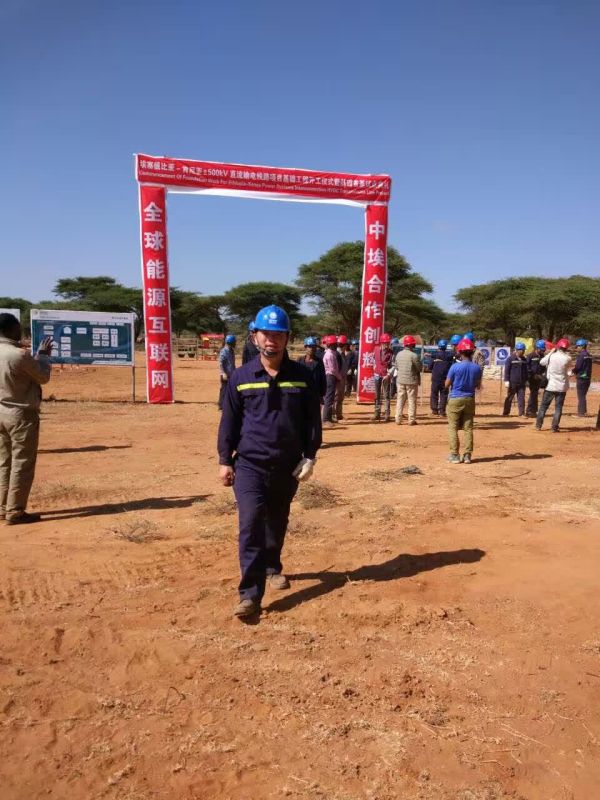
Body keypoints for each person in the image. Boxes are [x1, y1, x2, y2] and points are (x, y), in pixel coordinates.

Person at [217, 305, 322, 618]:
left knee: (277, 520)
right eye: (266, 334)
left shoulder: (303, 377)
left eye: (278, 334)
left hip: (287, 466)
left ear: (288, 338)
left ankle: (272, 566)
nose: (271, 340)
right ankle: (250, 595)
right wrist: (224, 460)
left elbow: (312, 422)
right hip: (250, 465)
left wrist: (310, 456)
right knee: (251, 524)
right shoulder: (241, 377)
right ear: (254, 337)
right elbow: (229, 422)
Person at [0, 313, 53, 524]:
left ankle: (2, 507)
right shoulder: (19, 355)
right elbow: (43, 376)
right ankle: (15, 511)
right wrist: (43, 356)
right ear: (13, 330)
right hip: (20, 415)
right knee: (22, 463)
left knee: (4, 462)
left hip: (1, 412)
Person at [445, 338, 482, 464]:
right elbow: (478, 386)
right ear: (472, 352)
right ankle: (467, 455)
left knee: (453, 427)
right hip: (470, 399)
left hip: (455, 399)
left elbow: (446, 384)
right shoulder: (477, 368)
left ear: (460, 352)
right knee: (468, 428)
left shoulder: (455, 367)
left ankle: (454, 455)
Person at [535, 339, 572, 432]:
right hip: (562, 387)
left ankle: (538, 425)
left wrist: (551, 352)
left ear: (558, 346)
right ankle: (554, 427)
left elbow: (542, 362)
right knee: (558, 408)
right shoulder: (568, 358)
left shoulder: (552, 356)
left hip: (551, 386)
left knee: (543, 407)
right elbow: (567, 369)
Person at [394, 335, 421, 425]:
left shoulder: (398, 354)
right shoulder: (414, 355)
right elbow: (419, 368)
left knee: (400, 400)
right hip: (411, 381)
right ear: (412, 345)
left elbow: (396, 367)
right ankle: (411, 419)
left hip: (400, 380)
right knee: (411, 400)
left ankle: (398, 419)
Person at [502, 343, 528, 416]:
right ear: (517, 350)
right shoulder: (510, 359)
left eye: (523, 350)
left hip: (521, 382)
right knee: (510, 397)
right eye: (521, 350)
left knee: (521, 398)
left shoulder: (524, 359)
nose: (523, 352)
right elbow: (507, 370)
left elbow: (525, 371)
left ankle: (521, 413)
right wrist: (506, 380)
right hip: (512, 382)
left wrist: (526, 380)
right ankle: (506, 413)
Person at [372, 333, 393, 422]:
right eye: (385, 343)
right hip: (377, 375)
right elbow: (374, 359)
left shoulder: (391, 352)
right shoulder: (376, 349)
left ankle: (387, 414)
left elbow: (393, 365)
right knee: (377, 395)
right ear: (381, 343)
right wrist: (374, 368)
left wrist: (389, 374)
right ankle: (377, 413)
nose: (386, 345)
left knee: (386, 395)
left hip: (386, 376)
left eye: (388, 343)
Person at [322, 335, 342, 429]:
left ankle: (329, 417)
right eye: (335, 344)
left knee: (331, 398)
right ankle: (326, 419)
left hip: (332, 377)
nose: (336, 345)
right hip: (330, 377)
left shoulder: (332, 353)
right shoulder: (329, 355)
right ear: (331, 345)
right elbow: (333, 369)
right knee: (329, 398)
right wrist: (339, 377)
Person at [298, 337, 326, 402]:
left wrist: (322, 394)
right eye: (310, 347)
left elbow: (323, 379)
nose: (312, 349)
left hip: (315, 394)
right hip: (302, 393)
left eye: (314, 347)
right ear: (305, 347)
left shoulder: (319, 362)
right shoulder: (300, 361)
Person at [430, 339, 453, 416]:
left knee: (434, 394)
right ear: (446, 347)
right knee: (444, 394)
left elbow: (430, 367)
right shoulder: (450, 356)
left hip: (435, 378)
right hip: (445, 378)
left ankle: (434, 411)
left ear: (438, 346)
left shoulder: (435, 356)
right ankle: (442, 412)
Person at [525, 340, 547, 417]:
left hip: (539, 378)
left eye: (543, 350)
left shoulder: (542, 356)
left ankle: (533, 411)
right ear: (537, 348)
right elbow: (527, 367)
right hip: (532, 378)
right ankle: (529, 411)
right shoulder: (530, 356)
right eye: (541, 349)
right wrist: (531, 376)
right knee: (533, 394)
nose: (543, 351)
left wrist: (543, 374)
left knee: (534, 394)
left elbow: (543, 367)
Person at [573, 339, 592, 417]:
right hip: (587, 378)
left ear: (582, 346)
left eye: (578, 346)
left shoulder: (581, 355)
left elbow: (578, 367)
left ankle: (581, 413)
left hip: (581, 378)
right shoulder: (588, 355)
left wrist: (573, 371)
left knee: (581, 396)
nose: (577, 348)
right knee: (583, 395)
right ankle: (583, 411)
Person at [218, 334, 236, 410]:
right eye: (234, 342)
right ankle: (221, 405)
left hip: (231, 373)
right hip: (225, 374)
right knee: (224, 389)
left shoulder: (231, 351)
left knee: (230, 389)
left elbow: (232, 363)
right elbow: (221, 363)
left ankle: (228, 404)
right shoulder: (224, 351)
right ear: (230, 342)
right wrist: (223, 373)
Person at [335, 336, 350, 420]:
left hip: (343, 377)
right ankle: (334, 414)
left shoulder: (343, 354)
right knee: (336, 396)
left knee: (341, 397)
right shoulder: (336, 354)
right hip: (338, 378)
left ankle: (339, 414)